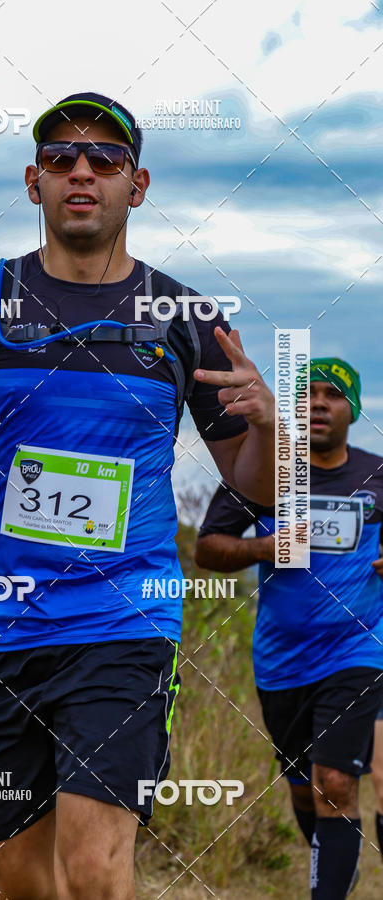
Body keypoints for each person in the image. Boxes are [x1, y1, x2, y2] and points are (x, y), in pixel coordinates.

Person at [0, 91, 276, 900]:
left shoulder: (185, 317)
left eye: (105, 158)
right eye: (60, 156)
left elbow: (259, 486)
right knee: (20, 882)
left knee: (95, 873)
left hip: (125, 624)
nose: (82, 171)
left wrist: (274, 428)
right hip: (1, 625)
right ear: (34, 181)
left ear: (137, 185)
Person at [194, 357, 383, 899]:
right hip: (282, 662)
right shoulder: (263, 473)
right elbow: (208, 549)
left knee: (335, 782)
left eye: (334, 394)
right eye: (308, 394)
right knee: (305, 789)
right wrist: (266, 547)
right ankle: (333, 859)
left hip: (357, 649)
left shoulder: (376, 475)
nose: (319, 403)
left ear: (353, 409)